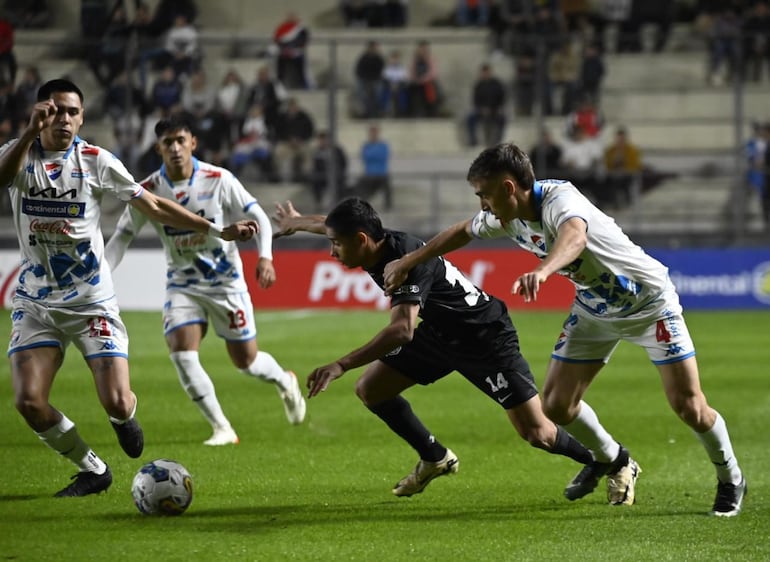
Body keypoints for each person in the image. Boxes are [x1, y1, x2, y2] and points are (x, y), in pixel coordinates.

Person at [382, 143, 747, 516]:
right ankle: (612, 458)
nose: (482, 205)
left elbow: (575, 237)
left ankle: (730, 478)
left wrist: (543, 271)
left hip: (649, 306)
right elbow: (462, 232)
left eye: (485, 195)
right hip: (594, 310)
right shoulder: (508, 217)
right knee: (556, 404)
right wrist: (409, 260)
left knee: (689, 407)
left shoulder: (560, 199)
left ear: (509, 188)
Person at [0, 79, 257, 497]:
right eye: (57, 110)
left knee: (117, 402)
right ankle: (92, 468)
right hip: (36, 303)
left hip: (91, 303)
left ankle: (123, 419)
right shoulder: (18, 154)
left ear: (82, 118)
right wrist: (28, 133)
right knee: (29, 402)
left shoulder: (97, 161)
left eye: (73, 112)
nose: (64, 119)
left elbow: (153, 204)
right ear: (40, 111)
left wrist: (217, 229)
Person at [272, 197, 593, 497]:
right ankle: (435, 457)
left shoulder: (402, 260)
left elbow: (402, 330)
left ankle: (604, 460)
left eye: (336, 244)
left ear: (360, 240)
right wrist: (297, 221)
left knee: (539, 434)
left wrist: (341, 364)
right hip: (440, 333)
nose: (331, 252)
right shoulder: (368, 243)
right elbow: (326, 224)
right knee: (372, 388)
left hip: (483, 336)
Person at [105, 115, 306, 446]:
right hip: (182, 284)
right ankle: (222, 427)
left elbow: (257, 217)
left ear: (193, 143)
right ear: (158, 148)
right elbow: (122, 236)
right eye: (167, 142)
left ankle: (285, 381)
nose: (175, 148)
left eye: (180, 140)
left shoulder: (218, 179)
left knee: (247, 362)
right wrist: (100, 275)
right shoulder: (148, 190)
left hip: (225, 283)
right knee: (182, 352)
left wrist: (265, 256)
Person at [466, 63, 507, 147]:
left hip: (495, 110)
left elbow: (502, 98)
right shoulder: (479, 85)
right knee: (470, 118)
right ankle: (473, 140)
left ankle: (498, 140)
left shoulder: (497, 84)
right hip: (481, 111)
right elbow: (475, 100)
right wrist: (481, 109)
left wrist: (496, 108)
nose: (485, 74)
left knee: (502, 119)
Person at [352, 123, 391, 209]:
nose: (373, 134)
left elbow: (383, 156)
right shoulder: (366, 145)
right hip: (369, 174)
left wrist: (372, 154)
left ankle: (388, 207)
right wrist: (375, 154)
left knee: (387, 187)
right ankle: (361, 205)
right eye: (372, 132)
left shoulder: (383, 145)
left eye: (375, 132)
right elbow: (365, 157)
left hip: (381, 174)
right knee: (359, 187)